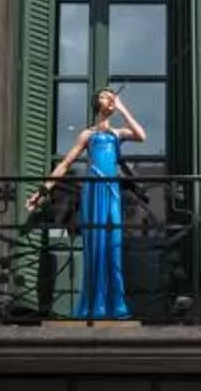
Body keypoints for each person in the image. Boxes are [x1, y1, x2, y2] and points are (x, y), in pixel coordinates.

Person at [42, 88, 147, 321]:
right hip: (94, 190)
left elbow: (141, 135)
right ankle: (94, 304)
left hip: (112, 192)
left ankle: (116, 304)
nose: (108, 98)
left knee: (113, 246)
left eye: (111, 96)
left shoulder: (117, 134)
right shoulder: (88, 135)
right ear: (95, 104)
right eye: (103, 96)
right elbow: (66, 164)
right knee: (96, 245)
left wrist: (122, 108)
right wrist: (44, 189)